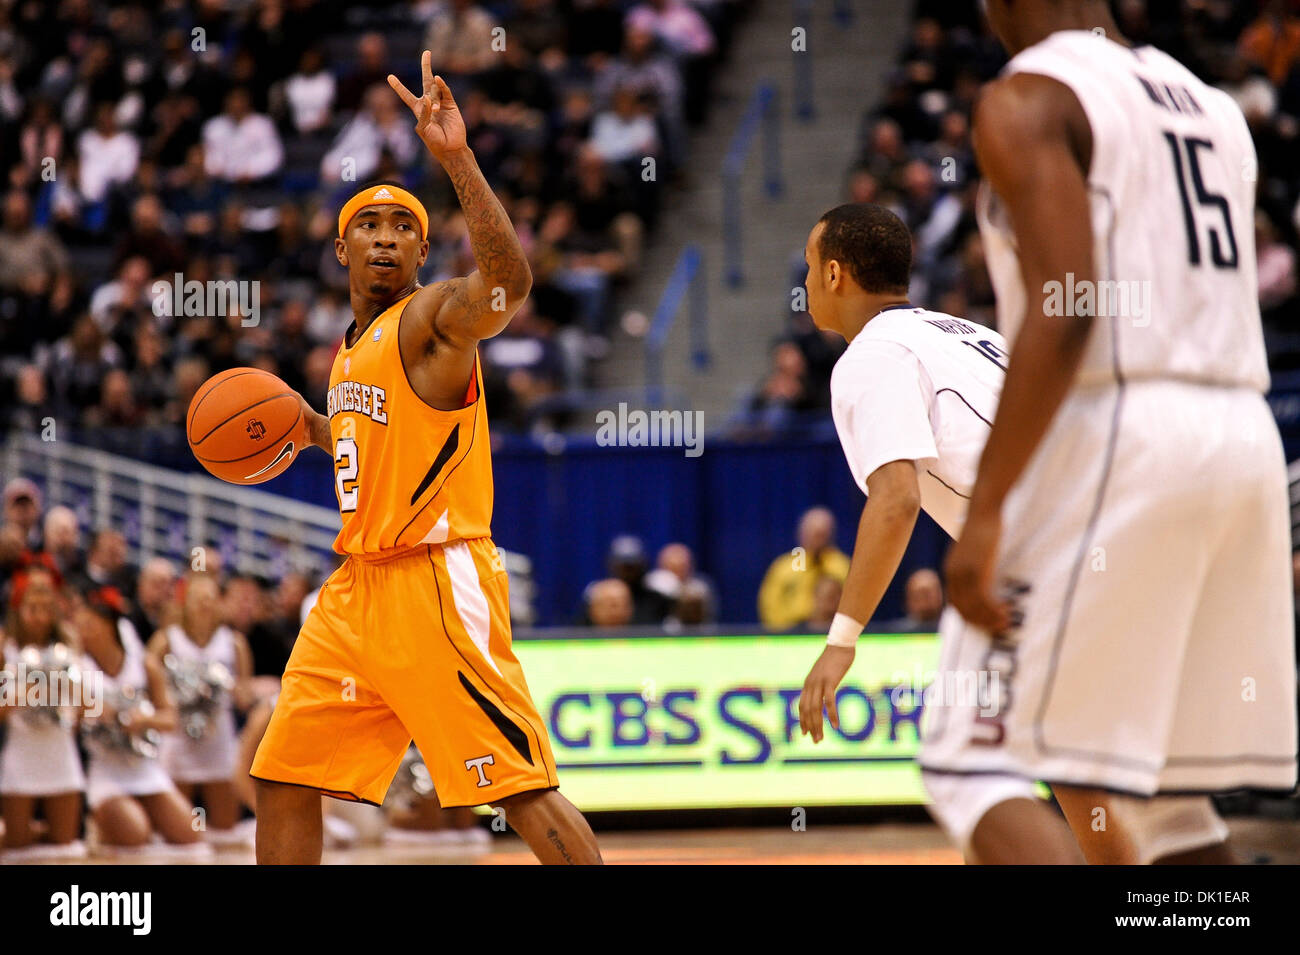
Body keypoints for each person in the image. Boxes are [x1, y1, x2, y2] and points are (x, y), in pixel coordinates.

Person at [932, 1, 1296, 864]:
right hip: (1242, 430)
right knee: (1172, 805)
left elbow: (1068, 308)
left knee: (971, 764)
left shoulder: (1030, 97)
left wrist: (986, 512)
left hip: (1120, 429)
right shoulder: (1210, 104)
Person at [250, 53, 601, 865]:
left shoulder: (432, 318)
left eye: (403, 226)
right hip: (354, 593)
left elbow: (507, 285)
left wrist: (457, 161)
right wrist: (311, 428)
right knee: (283, 773)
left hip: (436, 582)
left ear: (420, 250)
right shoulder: (344, 357)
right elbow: (370, 442)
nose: (384, 236)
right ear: (342, 250)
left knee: (517, 786)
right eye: (367, 226)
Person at [793, 204, 1050, 864]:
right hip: (1103, 536)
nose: (806, 284)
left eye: (809, 268)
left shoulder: (869, 357)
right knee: (1085, 773)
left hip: (1037, 558)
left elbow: (897, 497)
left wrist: (840, 641)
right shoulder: (968, 332)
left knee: (966, 770)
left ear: (835, 273)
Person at [76, 586, 204, 855]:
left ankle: (141, 816)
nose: (82, 632)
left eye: (89, 625)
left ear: (110, 626)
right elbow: (69, 717)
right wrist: (94, 710)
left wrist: (143, 720)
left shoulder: (144, 664)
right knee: (135, 836)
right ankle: (105, 821)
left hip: (145, 768)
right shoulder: (78, 668)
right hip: (106, 769)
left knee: (191, 834)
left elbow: (171, 718)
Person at [148, 572, 253, 845]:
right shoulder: (167, 640)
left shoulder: (235, 643)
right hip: (178, 739)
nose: (205, 604)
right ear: (185, 603)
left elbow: (243, 696)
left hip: (219, 738)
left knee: (224, 830)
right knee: (179, 832)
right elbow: (145, 684)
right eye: (198, 598)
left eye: (211, 598)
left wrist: (231, 688)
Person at [0, 568, 87, 858]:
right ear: (18, 608)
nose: (39, 617)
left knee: (65, 843)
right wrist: (23, 695)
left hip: (59, 749)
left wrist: (73, 699)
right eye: (32, 608)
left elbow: (88, 704)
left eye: (46, 609)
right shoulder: (5, 646)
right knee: (17, 844)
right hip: (20, 751)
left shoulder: (68, 645)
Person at [757, 507, 850, 630]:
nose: (817, 541)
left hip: (834, 630)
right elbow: (769, 605)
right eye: (813, 534)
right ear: (802, 534)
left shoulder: (841, 566)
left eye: (822, 535)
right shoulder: (785, 567)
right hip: (790, 633)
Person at [884, 568, 944, 633]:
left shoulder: (953, 628)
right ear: (907, 600)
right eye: (918, 596)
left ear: (941, 595)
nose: (924, 602)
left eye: (927, 595)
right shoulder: (895, 633)